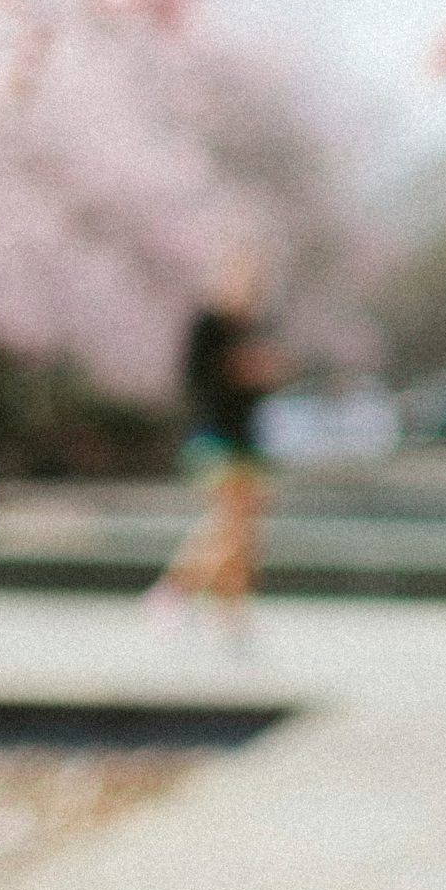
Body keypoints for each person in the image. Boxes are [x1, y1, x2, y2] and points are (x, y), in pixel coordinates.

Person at [147, 256, 288, 636]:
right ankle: (174, 591)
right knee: (230, 527)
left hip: (248, 441)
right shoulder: (209, 325)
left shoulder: (257, 327)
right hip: (212, 437)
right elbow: (197, 379)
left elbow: (265, 382)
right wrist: (238, 370)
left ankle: (232, 615)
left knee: (245, 533)